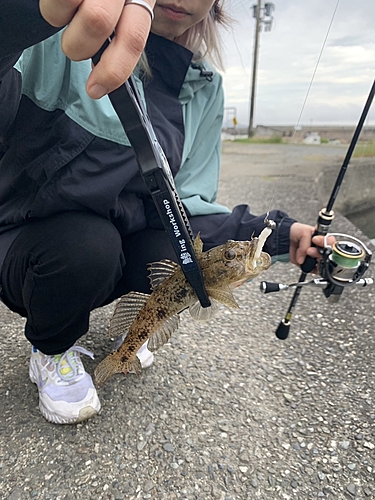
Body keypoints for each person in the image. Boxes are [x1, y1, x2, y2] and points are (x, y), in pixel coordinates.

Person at [0, 0, 323, 424]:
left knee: (179, 254)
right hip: (30, 242)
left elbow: (188, 209)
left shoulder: (203, 86)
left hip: (112, 247)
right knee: (87, 246)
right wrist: (26, 13)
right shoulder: (57, 34)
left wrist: (283, 234)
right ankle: (52, 347)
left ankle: (130, 336)